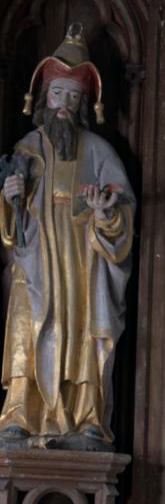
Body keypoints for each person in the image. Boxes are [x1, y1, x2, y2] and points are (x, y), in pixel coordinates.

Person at [0, 23, 135, 450]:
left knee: (86, 330)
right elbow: (10, 227)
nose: (64, 104)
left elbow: (122, 208)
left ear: (83, 105)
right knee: (27, 325)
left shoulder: (98, 152)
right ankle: (20, 413)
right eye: (58, 94)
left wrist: (105, 212)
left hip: (82, 264)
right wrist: (10, 197)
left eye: (73, 97)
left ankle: (87, 416)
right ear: (44, 97)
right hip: (35, 263)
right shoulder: (25, 150)